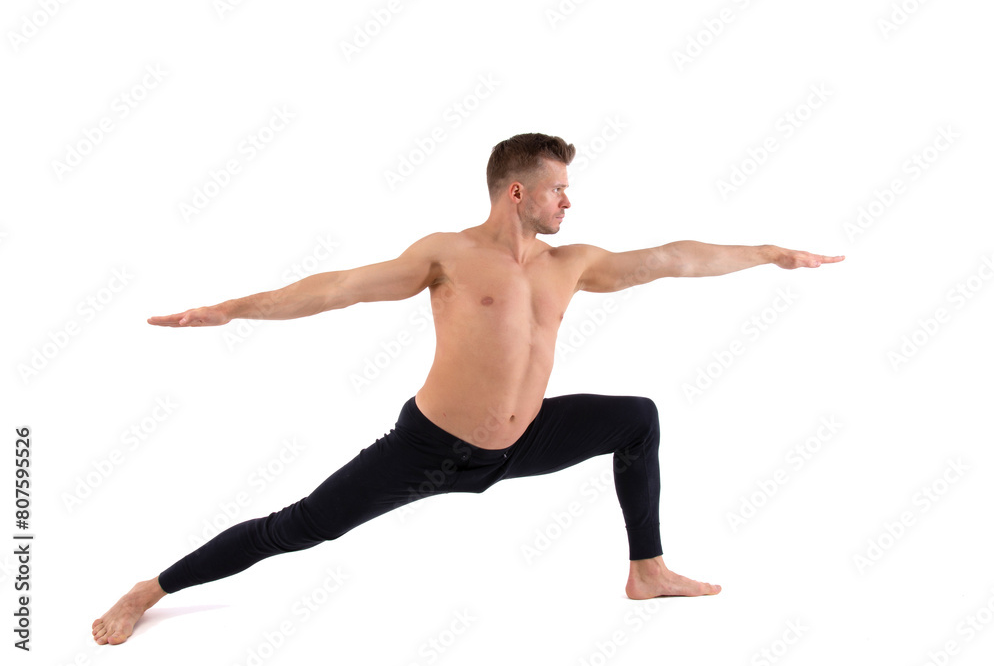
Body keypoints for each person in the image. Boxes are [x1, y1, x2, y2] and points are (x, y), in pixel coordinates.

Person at [92, 133, 844, 645]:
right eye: (559, 191)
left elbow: (675, 258)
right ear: (518, 192)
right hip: (431, 449)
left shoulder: (572, 262)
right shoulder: (447, 255)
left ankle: (646, 570)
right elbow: (339, 287)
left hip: (522, 442)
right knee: (296, 527)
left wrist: (769, 253)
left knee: (636, 420)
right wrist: (233, 307)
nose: (569, 204)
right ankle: (150, 588)